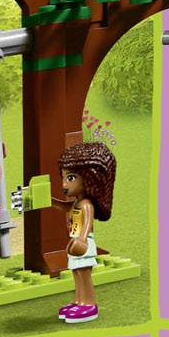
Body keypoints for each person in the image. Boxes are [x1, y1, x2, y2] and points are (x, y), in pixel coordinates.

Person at [55, 139, 115, 324]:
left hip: (83, 243)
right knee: (76, 272)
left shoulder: (86, 205)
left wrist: (81, 240)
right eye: (63, 178)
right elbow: (65, 207)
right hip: (75, 242)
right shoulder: (76, 202)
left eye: (71, 178)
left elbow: (87, 223)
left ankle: (89, 304)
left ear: (89, 178)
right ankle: (79, 301)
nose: (64, 184)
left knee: (84, 274)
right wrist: (51, 201)